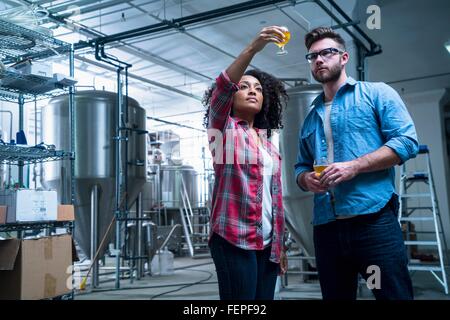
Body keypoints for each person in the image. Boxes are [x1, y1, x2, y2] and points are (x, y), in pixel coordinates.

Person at [294, 27, 419, 300]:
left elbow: (407, 142)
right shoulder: (311, 116)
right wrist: (305, 179)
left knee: (393, 296)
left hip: (374, 222)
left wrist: (355, 166)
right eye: (313, 56)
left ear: (344, 57)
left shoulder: (376, 94)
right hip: (326, 227)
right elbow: (301, 166)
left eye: (327, 53)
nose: (319, 60)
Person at [203, 26, 289, 300]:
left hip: (267, 244)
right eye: (244, 87)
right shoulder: (223, 130)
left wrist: (280, 245)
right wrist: (253, 48)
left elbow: (273, 200)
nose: (252, 91)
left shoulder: (267, 144)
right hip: (233, 238)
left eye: (259, 89)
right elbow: (223, 87)